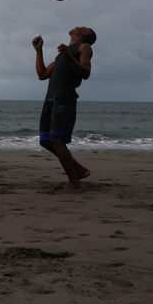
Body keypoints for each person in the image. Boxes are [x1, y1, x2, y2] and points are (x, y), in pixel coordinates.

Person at [33, 26, 96, 192]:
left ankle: (74, 184)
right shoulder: (62, 54)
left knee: (56, 140)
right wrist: (39, 50)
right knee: (46, 140)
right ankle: (79, 170)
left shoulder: (84, 47)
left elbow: (86, 72)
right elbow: (42, 74)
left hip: (64, 100)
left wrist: (69, 57)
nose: (76, 26)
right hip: (50, 100)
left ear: (85, 34)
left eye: (80, 27)